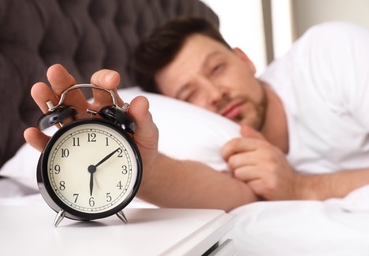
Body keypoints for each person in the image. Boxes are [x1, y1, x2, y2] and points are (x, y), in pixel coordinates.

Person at [24, 16, 369, 211]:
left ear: (245, 60)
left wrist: (300, 187)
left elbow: (295, 189)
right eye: (189, 94)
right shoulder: (229, 148)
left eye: (217, 69)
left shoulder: (328, 54)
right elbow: (225, 194)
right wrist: (135, 163)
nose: (215, 94)